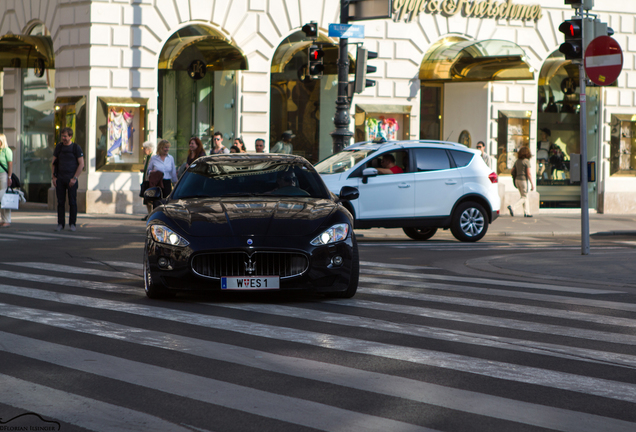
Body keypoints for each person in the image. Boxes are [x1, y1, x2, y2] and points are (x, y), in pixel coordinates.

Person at [52, 128, 85, 231]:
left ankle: (72, 224)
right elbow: (54, 163)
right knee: (60, 202)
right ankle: (60, 224)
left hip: (71, 179)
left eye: (65, 136)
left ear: (70, 136)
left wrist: (74, 178)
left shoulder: (76, 148)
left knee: (72, 202)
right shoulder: (59, 147)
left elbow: (81, 164)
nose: (63, 138)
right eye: (62, 136)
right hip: (60, 179)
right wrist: (54, 177)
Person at [508, 146, 534, 218]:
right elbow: (528, 173)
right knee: (524, 197)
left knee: (524, 196)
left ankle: (527, 212)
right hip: (523, 180)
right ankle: (513, 207)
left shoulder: (517, 161)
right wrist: (532, 184)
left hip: (517, 180)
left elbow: (512, 171)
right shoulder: (526, 161)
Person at [0, 133, 14, 228]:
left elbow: (10, 165)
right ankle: (2, 219)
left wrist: (9, 177)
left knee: (4, 197)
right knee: (0, 199)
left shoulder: (7, 150)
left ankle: (7, 220)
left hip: (3, 175)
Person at [140, 141, 155, 221]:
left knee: (150, 199)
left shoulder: (153, 157)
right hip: (145, 180)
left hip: (150, 181)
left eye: (144, 149)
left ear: (149, 149)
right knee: (146, 199)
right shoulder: (147, 158)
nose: (143, 150)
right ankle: (149, 214)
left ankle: (151, 214)